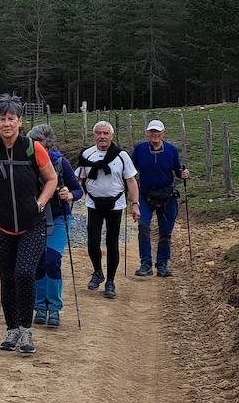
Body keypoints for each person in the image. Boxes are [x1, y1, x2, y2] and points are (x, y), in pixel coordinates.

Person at [0, 97, 57, 354]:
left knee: (24, 273)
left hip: (33, 224)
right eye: (2, 119)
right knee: (7, 278)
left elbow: (51, 178)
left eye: (11, 118)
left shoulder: (33, 148)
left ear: (20, 121)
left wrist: (40, 204)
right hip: (1, 225)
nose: (6, 123)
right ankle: (11, 330)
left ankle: (26, 331)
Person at [74, 121, 139, 299]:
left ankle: (110, 281)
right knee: (92, 242)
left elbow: (131, 181)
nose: (102, 136)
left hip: (116, 204)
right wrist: (72, 196)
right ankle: (97, 272)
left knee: (112, 243)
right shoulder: (87, 154)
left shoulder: (122, 156)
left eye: (105, 133)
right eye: (99, 133)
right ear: (94, 135)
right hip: (93, 204)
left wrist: (135, 204)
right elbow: (79, 179)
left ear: (112, 136)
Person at [27, 124, 83, 327]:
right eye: (35, 146)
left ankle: (54, 308)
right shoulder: (26, 163)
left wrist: (68, 194)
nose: (39, 150)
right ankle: (40, 306)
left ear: (48, 145)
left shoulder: (60, 162)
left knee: (51, 259)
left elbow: (78, 191)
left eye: (43, 146)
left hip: (58, 217)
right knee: (39, 261)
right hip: (33, 220)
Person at [131, 119, 190, 278]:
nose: (155, 134)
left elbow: (177, 171)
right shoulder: (139, 150)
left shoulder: (171, 150)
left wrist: (183, 174)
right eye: (152, 131)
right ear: (147, 133)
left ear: (163, 133)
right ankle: (146, 264)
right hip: (145, 195)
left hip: (167, 196)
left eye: (158, 131)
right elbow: (130, 171)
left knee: (165, 232)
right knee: (143, 227)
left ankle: (162, 264)